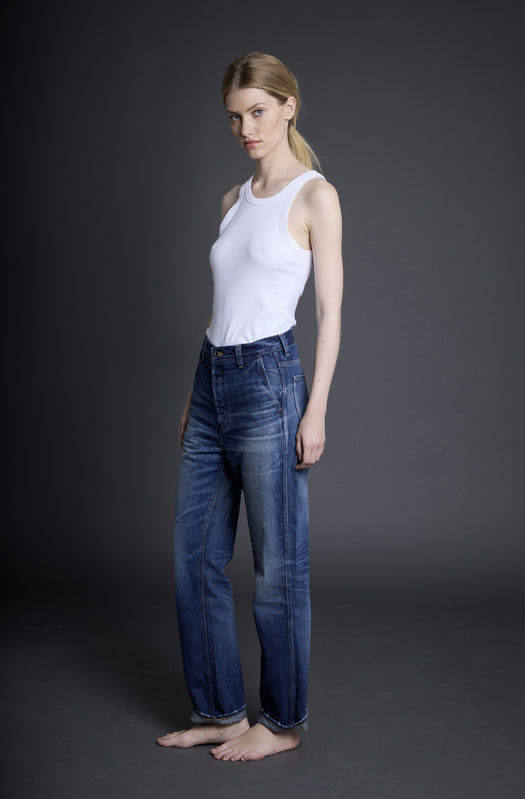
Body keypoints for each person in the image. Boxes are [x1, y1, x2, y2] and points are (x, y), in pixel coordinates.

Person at [157, 51, 343, 762]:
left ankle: (283, 722)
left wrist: (315, 407)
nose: (246, 128)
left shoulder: (314, 196)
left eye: (258, 112)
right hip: (212, 382)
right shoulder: (233, 200)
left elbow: (328, 311)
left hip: (270, 384)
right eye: (235, 117)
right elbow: (224, 303)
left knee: (277, 567)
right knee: (194, 557)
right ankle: (221, 711)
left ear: (288, 106)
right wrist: (193, 394)